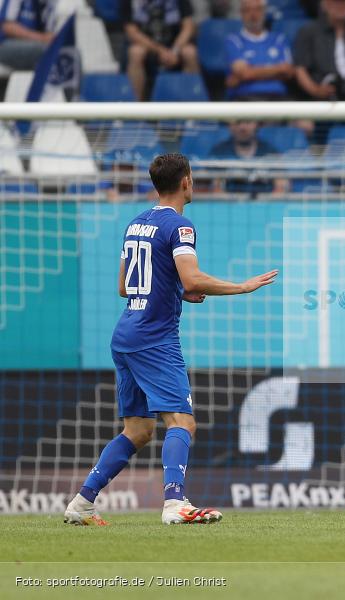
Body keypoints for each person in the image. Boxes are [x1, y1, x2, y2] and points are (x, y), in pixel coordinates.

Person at [63, 153, 279, 526]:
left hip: (126, 333)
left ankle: (82, 502)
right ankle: (175, 502)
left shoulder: (136, 224)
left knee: (139, 430)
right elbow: (193, 278)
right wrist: (241, 286)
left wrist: (174, 291)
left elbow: (124, 286)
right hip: (154, 337)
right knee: (182, 421)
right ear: (186, 181)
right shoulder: (180, 227)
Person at [123, 0, 200, 101]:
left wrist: (174, 51)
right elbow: (131, 32)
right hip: (147, 48)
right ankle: (134, 109)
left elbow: (188, 27)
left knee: (190, 52)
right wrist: (159, 51)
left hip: (175, 48)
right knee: (135, 52)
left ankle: (192, 109)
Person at [225, 0, 295, 100]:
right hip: (245, 98)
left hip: (278, 97)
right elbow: (244, 73)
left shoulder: (279, 39)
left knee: (306, 115)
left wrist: (251, 71)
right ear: (241, 13)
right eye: (247, 10)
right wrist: (277, 69)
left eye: (257, 9)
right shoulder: (234, 40)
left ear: (264, 12)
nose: (253, 14)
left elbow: (288, 72)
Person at [209, 120, 288, 195]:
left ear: (256, 125)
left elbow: (282, 186)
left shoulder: (270, 152)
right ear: (230, 126)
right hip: (228, 206)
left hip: (265, 206)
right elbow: (215, 189)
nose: (242, 127)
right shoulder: (219, 152)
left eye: (247, 122)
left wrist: (264, 203)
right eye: (238, 122)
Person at [0, 0, 54, 70]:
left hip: (34, 45)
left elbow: (49, 34)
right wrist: (42, 38)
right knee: (48, 51)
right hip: (5, 45)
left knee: (56, 50)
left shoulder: (49, 3)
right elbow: (7, 26)